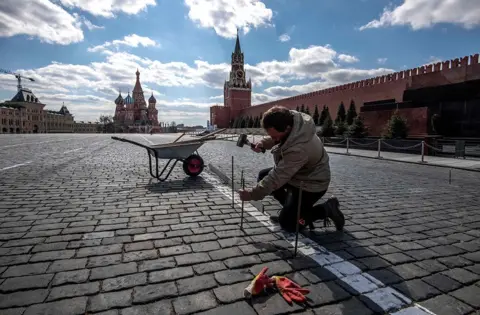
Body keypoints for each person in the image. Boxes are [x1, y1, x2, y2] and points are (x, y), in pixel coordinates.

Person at [237, 106, 345, 233]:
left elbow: (277, 177)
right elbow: (279, 137)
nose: (275, 139)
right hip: (298, 173)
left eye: (276, 136)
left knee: (289, 224)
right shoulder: (291, 120)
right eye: (272, 136)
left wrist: (251, 194)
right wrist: (263, 143)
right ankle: (293, 212)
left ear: (287, 128)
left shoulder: (300, 149)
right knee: (263, 175)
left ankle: (324, 210)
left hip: (312, 183)